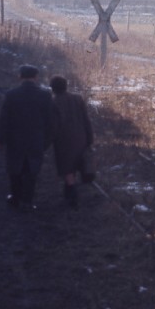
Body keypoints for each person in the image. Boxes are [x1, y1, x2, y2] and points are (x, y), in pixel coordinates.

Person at [0, 64, 54, 211]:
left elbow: (4, 119)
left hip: (15, 139)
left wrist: (1, 139)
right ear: (36, 77)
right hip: (36, 139)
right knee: (31, 171)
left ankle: (15, 198)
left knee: (14, 169)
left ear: (20, 77)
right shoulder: (45, 95)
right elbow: (50, 121)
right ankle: (27, 201)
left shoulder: (11, 94)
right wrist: (46, 141)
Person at [49, 74, 94, 209]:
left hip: (63, 140)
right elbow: (86, 120)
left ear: (53, 88)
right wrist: (89, 137)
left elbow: (53, 125)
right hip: (81, 137)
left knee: (67, 168)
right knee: (79, 162)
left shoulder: (53, 102)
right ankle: (71, 194)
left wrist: (47, 141)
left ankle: (72, 197)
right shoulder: (77, 99)